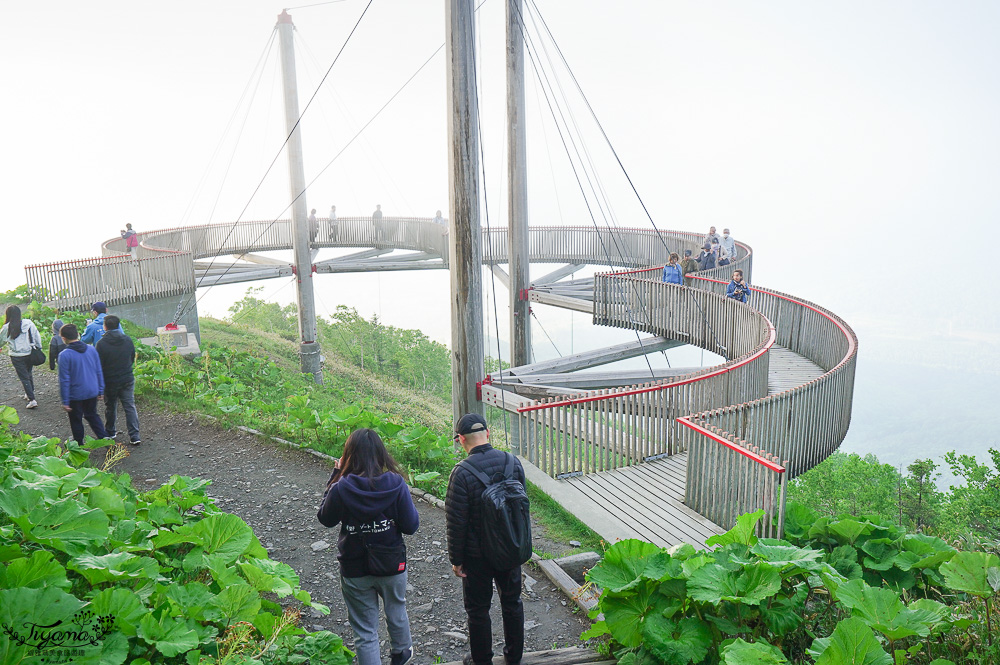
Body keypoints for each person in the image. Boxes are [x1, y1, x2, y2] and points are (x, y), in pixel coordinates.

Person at [318, 429, 418, 665]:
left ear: (349, 455)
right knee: (396, 609)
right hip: (392, 563)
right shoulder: (396, 483)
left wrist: (335, 474)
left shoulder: (342, 487)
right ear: (381, 453)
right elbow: (411, 526)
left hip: (355, 566)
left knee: (364, 631)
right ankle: (401, 652)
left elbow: (326, 518)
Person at [446, 413, 525, 665]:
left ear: (461, 439)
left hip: (477, 557)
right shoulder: (512, 463)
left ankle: (482, 661)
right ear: (487, 434)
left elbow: (456, 522)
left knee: (478, 611)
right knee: (512, 603)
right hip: (510, 549)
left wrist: (456, 560)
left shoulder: (461, 473)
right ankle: (514, 658)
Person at [57, 323, 109, 444]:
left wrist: (65, 401)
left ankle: (79, 444)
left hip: (75, 394)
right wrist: (101, 390)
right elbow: (98, 370)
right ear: (78, 335)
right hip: (92, 390)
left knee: (76, 419)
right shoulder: (91, 349)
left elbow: (64, 379)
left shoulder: (64, 355)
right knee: (92, 415)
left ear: (64, 338)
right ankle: (105, 440)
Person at [96, 315, 141, 446]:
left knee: (110, 406)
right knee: (130, 406)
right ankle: (135, 436)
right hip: (127, 378)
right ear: (118, 325)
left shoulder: (101, 344)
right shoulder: (127, 339)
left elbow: (98, 366)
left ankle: (110, 432)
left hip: (110, 381)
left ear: (105, 327)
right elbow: (132, 357)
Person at [0, 305, 42, 409]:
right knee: (28, 373)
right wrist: (39, 347)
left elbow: (1, 340)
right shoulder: (28, 323)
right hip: (29, 353)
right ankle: (29, 393)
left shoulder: (7, 327)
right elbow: (37, 335)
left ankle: (32, 399)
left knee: (24, 377)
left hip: (16, 356)